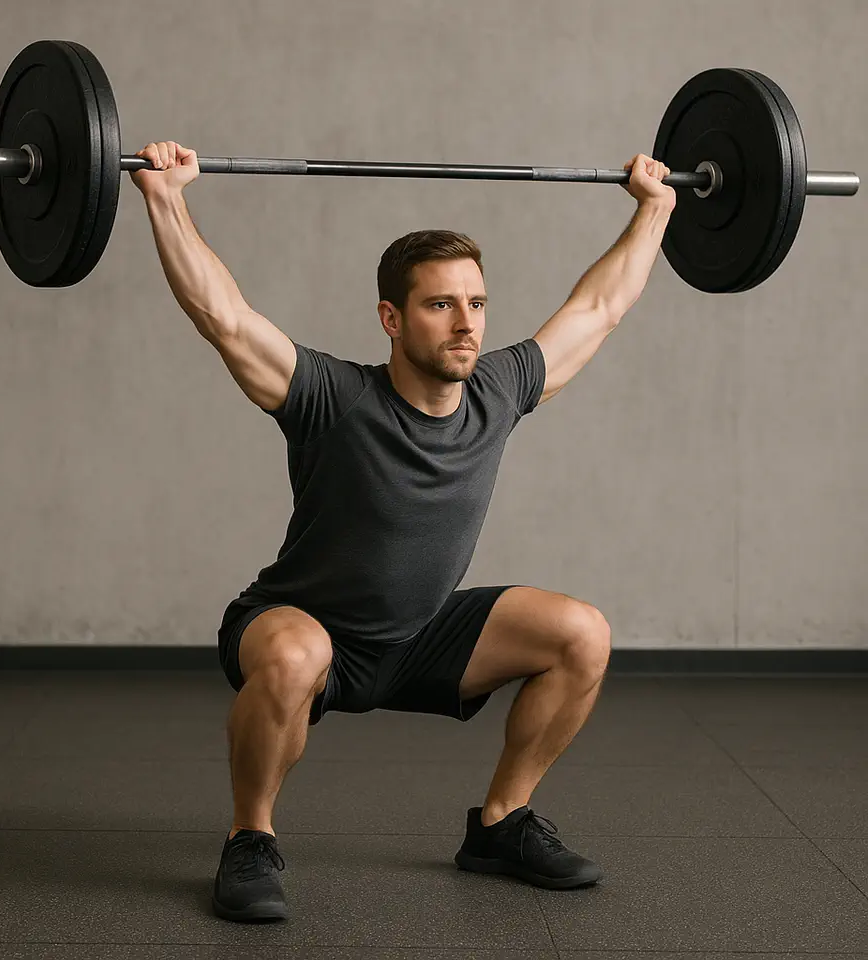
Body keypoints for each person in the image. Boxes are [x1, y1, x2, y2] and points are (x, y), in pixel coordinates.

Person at [130, 142, 675, 923]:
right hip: (305, 627)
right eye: (440, 304)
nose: (465, 324)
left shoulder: (498, 389)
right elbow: (223, 316)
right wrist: (165, 196)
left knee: (581, 634)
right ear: (391, 317)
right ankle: (250, 837)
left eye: (477, 305)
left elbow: (600, 309)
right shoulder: (333, 396)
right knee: (294, 655)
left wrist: (654, 207)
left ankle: (501, 825)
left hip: (420, 638)